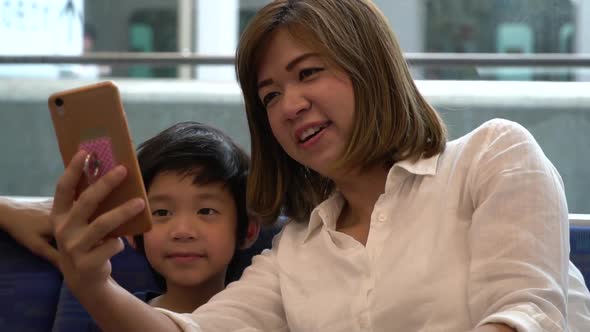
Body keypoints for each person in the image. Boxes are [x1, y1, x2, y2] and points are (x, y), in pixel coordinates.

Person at [17, 0, 590, 331]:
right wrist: (90, 281)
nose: (289, 105)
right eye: (268, 94)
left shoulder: (494, 157)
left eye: (309, 73)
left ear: (370, 66)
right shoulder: (294, 253)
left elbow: (527, 314)